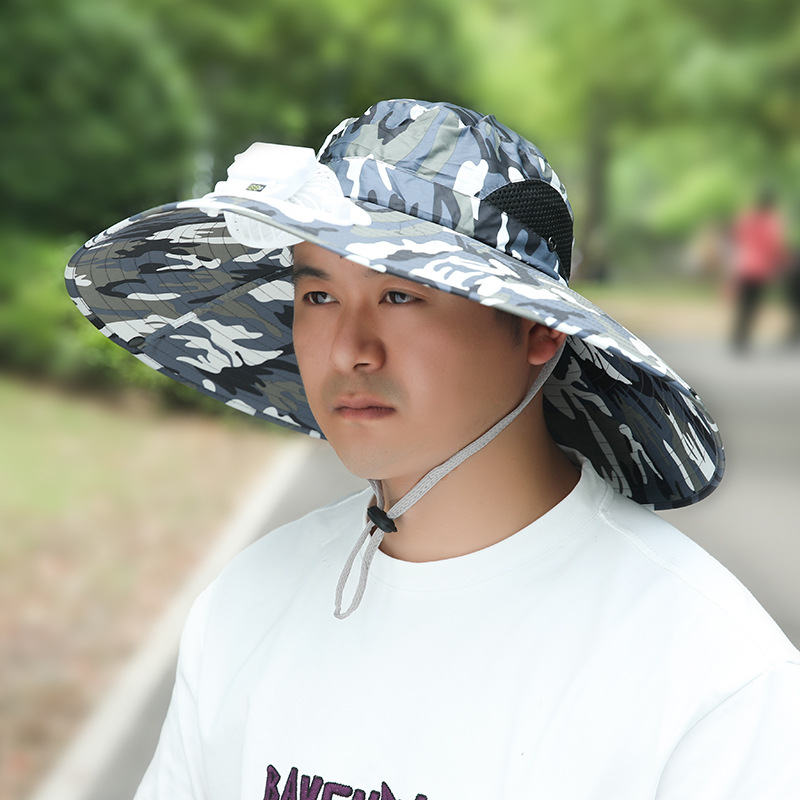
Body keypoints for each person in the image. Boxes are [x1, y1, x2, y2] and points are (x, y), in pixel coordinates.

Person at [66, 99, 800, 799]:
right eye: (318, 296)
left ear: (538, 329)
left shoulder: (705, 674)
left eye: (401, 296)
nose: (349, 350)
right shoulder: (246, 604)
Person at [729, 188, 788, 351]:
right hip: (760, 270)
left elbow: (737, 236)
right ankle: (744, 340)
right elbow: (775, 245)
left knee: (742, 305)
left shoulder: (746, 218)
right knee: (753, 306)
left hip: (743, 266)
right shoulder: (771, 222)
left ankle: (737, 338)